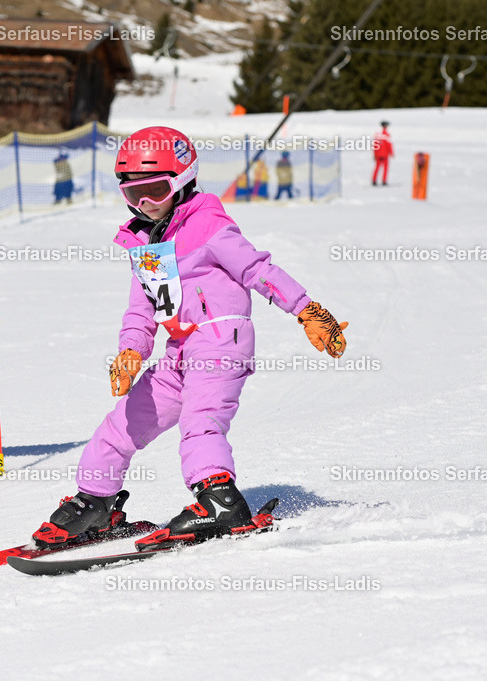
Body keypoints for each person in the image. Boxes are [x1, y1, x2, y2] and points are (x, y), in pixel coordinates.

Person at [31, 126, 349, 550]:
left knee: (201, 423)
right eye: (133, 194)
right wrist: (130, 350)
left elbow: (259, 270)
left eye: (155, 190)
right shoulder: (144, 244)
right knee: (119, 426)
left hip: (221, 340)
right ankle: (96, 503)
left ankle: (220, 501)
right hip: (178, 353)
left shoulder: (209, 226)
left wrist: (306, 310)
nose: (144, 204)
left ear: (182, 182)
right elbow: (141, 310)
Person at [372, 120, 393, 186]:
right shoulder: (386, 135)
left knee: (377, 167)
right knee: (385, 168)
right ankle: (384, 181)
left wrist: (375, 154)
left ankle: (374, 180)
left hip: (378, 154)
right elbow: (389, 145)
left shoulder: (377, 135)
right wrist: (391, 153)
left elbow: (375, 145)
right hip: (385, 154)